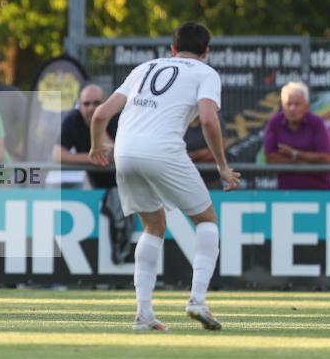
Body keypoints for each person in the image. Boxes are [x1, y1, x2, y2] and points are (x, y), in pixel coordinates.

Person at [89, 21, 241, 332]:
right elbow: (210, 120)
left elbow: (101, 114)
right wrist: (222, 166)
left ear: (172, 49)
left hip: (125, 152)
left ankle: (143, 314)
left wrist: (95, 147)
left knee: (153, 226)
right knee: (207, 220)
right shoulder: (205, 73)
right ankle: (197, 299)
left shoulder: (144, 68)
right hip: (164, 150)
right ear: (206, 52)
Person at [263, 81, 330, 190]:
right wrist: (304, 163)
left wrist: (293, 153)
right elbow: (270, 158)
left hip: (319, 191)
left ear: (306, 106)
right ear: (282, 105)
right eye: (288, 104)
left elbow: (324, 158)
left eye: (297, 104)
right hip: (287, 192)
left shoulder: (317, 123)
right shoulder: (275, 123)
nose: (292, 109)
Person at [52, 83, 118, 189]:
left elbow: (114, 156)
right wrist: (90, 158)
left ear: (105, 103)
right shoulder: (73, 119)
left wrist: (99, 124)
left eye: (96, 103)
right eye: (86, 104)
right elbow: (57, 155)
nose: (91, 108)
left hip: (122, 184)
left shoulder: (116, 118)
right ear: (80, 105)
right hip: (96, 184)